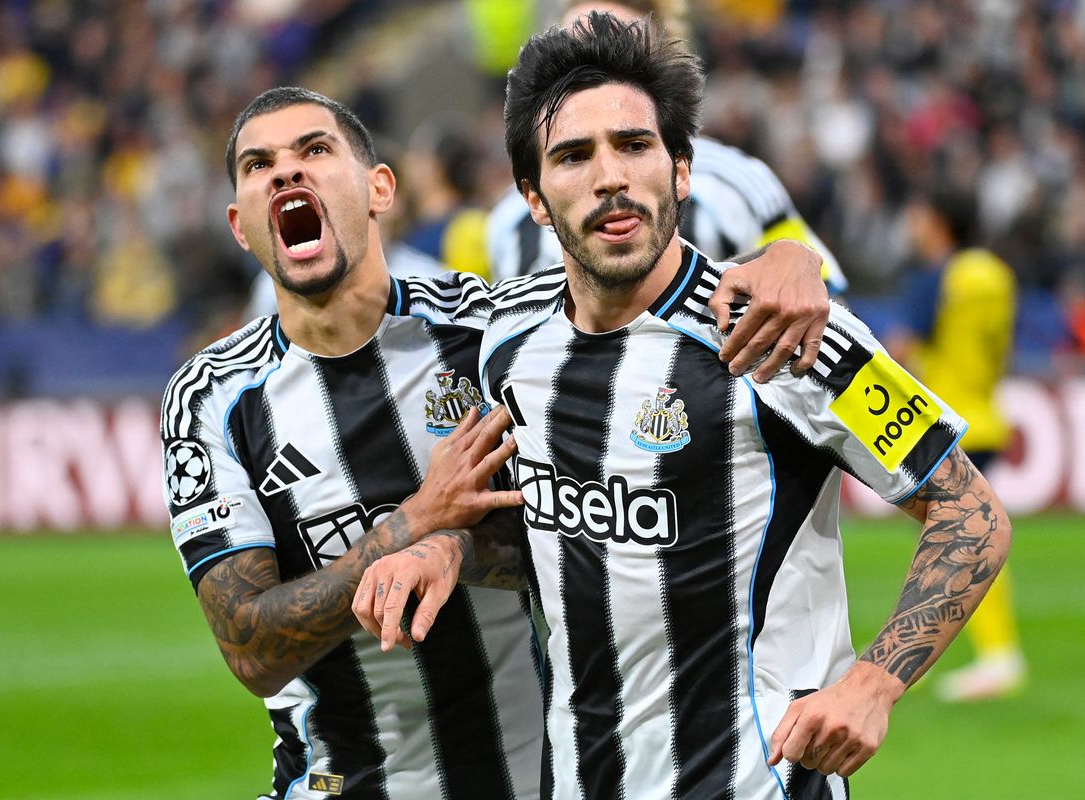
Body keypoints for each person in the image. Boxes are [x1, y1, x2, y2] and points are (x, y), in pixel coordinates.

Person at [354, 15, 1012, 798]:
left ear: (681, 171)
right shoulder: (508, 338)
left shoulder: (787, 331)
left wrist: (874, 683)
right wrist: (449, 550)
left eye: (634, 146)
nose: (609, 176)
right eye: (573, 156)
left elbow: (971, 516)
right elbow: (551, 539)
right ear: (533, 198)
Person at [161, 85, 833, 798]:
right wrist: (415, 522)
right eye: (260, 164)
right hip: (336, 783)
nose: (286, 173)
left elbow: (644, 282)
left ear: (379, 188)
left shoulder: (490, 331)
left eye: (315, 151)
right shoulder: (214, 400)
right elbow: (250, 647)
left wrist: (790, 257)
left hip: (530, 781)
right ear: (240, 224)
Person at [485, 0, 849, 299]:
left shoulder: (739, 183)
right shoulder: (507, 222)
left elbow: (821, 296)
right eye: (573, 57)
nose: (593, 77)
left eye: (618, 51)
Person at [890, 189, 1028, 702]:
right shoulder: (994, 272)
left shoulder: (938, 275)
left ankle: (997, 656)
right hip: (988, 410)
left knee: (960, 537)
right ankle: (994, 654)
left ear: (940, 221)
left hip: (945, 423)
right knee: (971, 528)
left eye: (920, 212)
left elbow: (903, 349)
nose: (913, 222)